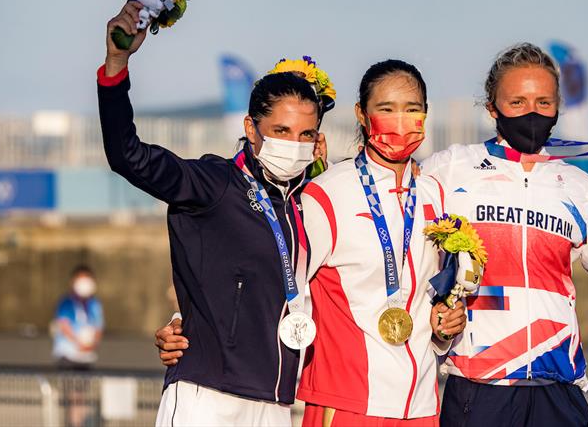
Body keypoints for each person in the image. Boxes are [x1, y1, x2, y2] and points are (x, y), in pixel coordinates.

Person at [156, 60, 469, 427]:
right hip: (346, 402)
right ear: (362, 114)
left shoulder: (435, 195)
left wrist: (444, 328)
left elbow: (430, 300)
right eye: (387, 109)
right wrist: (187, 321)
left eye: (412, 109)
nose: (400, 120)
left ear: (425, 114)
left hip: (421, 405)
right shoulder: (328, 193)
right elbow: (274, 276)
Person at [419, 42, 588, 427]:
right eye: (517, 102)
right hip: (479, 390)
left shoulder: (577, 185)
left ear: (558, 107)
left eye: (544, 103)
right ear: (491, 108)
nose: (532, 112)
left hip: (558, 393)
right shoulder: (450, 168)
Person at [99, 1, 332, 426]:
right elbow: (127, 156)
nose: (293, 144)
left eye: (305, 134)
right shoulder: (213, 183)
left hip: (276, 403)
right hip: (207, 396)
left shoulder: (309, 204)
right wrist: (116, 64)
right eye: (280, 131)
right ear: (250, 129)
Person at [52, 265, 104, 369]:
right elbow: (64, 326)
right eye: (81, 279)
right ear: (73, 281)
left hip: (86, 358)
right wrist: (79, 343)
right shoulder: (66, 303)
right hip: (67, 357)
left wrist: (91, 345)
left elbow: (99, 327)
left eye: (87, 279)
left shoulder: (95, 304)